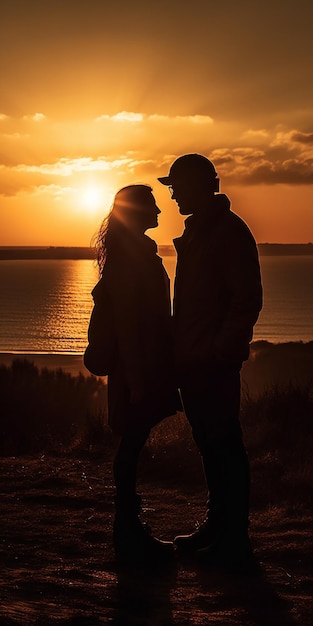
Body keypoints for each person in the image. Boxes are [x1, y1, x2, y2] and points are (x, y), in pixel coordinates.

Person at [158, 154, 263, 572]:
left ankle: (233, 538)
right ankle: (218, 526)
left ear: (202, 185)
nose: (173, 195)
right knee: (210, 446)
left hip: (212, 363)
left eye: (177, 187)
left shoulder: (227, 233)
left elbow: (246, 300)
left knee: (224, 446)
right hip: (195, 360)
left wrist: (220, 350)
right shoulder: (202, 230)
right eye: (170, 188)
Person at [92, 184, 179, 564]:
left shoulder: (136, 253)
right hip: (136, 366)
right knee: (132, 441)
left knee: (134, 440)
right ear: (137, 213)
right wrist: (138, 379)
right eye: (152, 207)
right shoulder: (130, 259)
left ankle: (128, 527)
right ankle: (127, 529)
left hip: (144, 362)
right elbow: (127, 323)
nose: (160, 212)